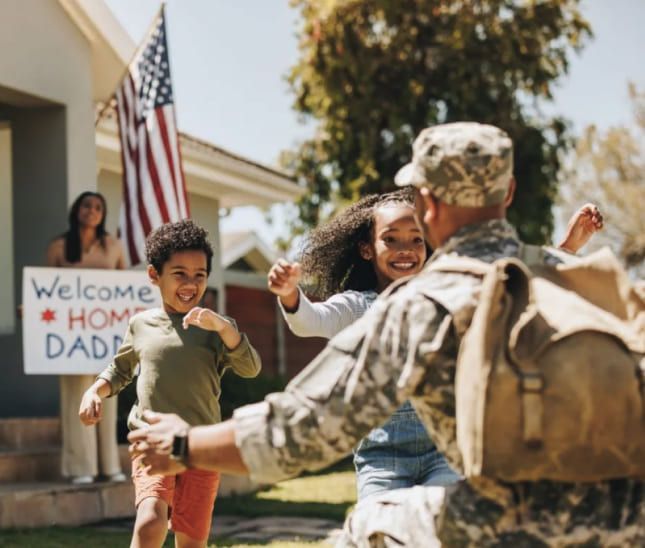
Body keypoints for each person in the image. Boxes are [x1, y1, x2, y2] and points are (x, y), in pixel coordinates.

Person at [127, 123, 642, 547]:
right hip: (618, 518)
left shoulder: (423, 305)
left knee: (362, 534)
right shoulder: (582, 281)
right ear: (507, 193)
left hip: (507, 521)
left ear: (428, 202)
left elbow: (303, 428)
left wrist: (184, 442)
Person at [267, 190, 601, 501]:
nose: (406, 250)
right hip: (383, 460)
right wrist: (290, 294)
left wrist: (567, 248)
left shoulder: (445, 295)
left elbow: (516, 287)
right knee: (382, 530)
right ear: (367, 249)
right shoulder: (357, 307)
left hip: (444, 451)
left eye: (416, 240)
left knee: (440, 529)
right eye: (391, 240)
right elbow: (310, 321)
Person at [79, 219, 262, 548]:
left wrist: (224, 327)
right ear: (154, 275)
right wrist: (95, 390)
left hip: (201, 446)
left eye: (200, 275)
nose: (190, 283)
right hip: (151, 440)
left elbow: (251, 368)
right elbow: (120, 370)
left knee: (191, 540)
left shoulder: (217, 328)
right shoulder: (141, 324)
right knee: (150, 519)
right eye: (180, 273)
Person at [46, 191, 127, 485]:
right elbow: (47, 290)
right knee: (75, 400)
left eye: (98, 207)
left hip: (105, 336)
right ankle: (81, 467)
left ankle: (109, 465)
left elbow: (124, 290)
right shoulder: (58, 247)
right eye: (86, 206)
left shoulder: (114, 246)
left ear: (103, 214)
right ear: (77, 210)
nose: (92, 211)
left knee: (106, 395)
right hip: (71, 338)